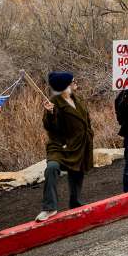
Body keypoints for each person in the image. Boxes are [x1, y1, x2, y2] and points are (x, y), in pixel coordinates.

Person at [37, 71, 93, 222]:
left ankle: (75, 202)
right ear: (65, 86)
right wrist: (50, 113)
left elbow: (86, 119)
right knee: (52, 168)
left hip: (80, 144)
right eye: (73, 81)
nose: (76, 83)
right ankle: (49, 207)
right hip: (60, 146)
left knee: (77, 173)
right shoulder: (53, 103)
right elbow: (51, 127)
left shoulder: (76, 99)